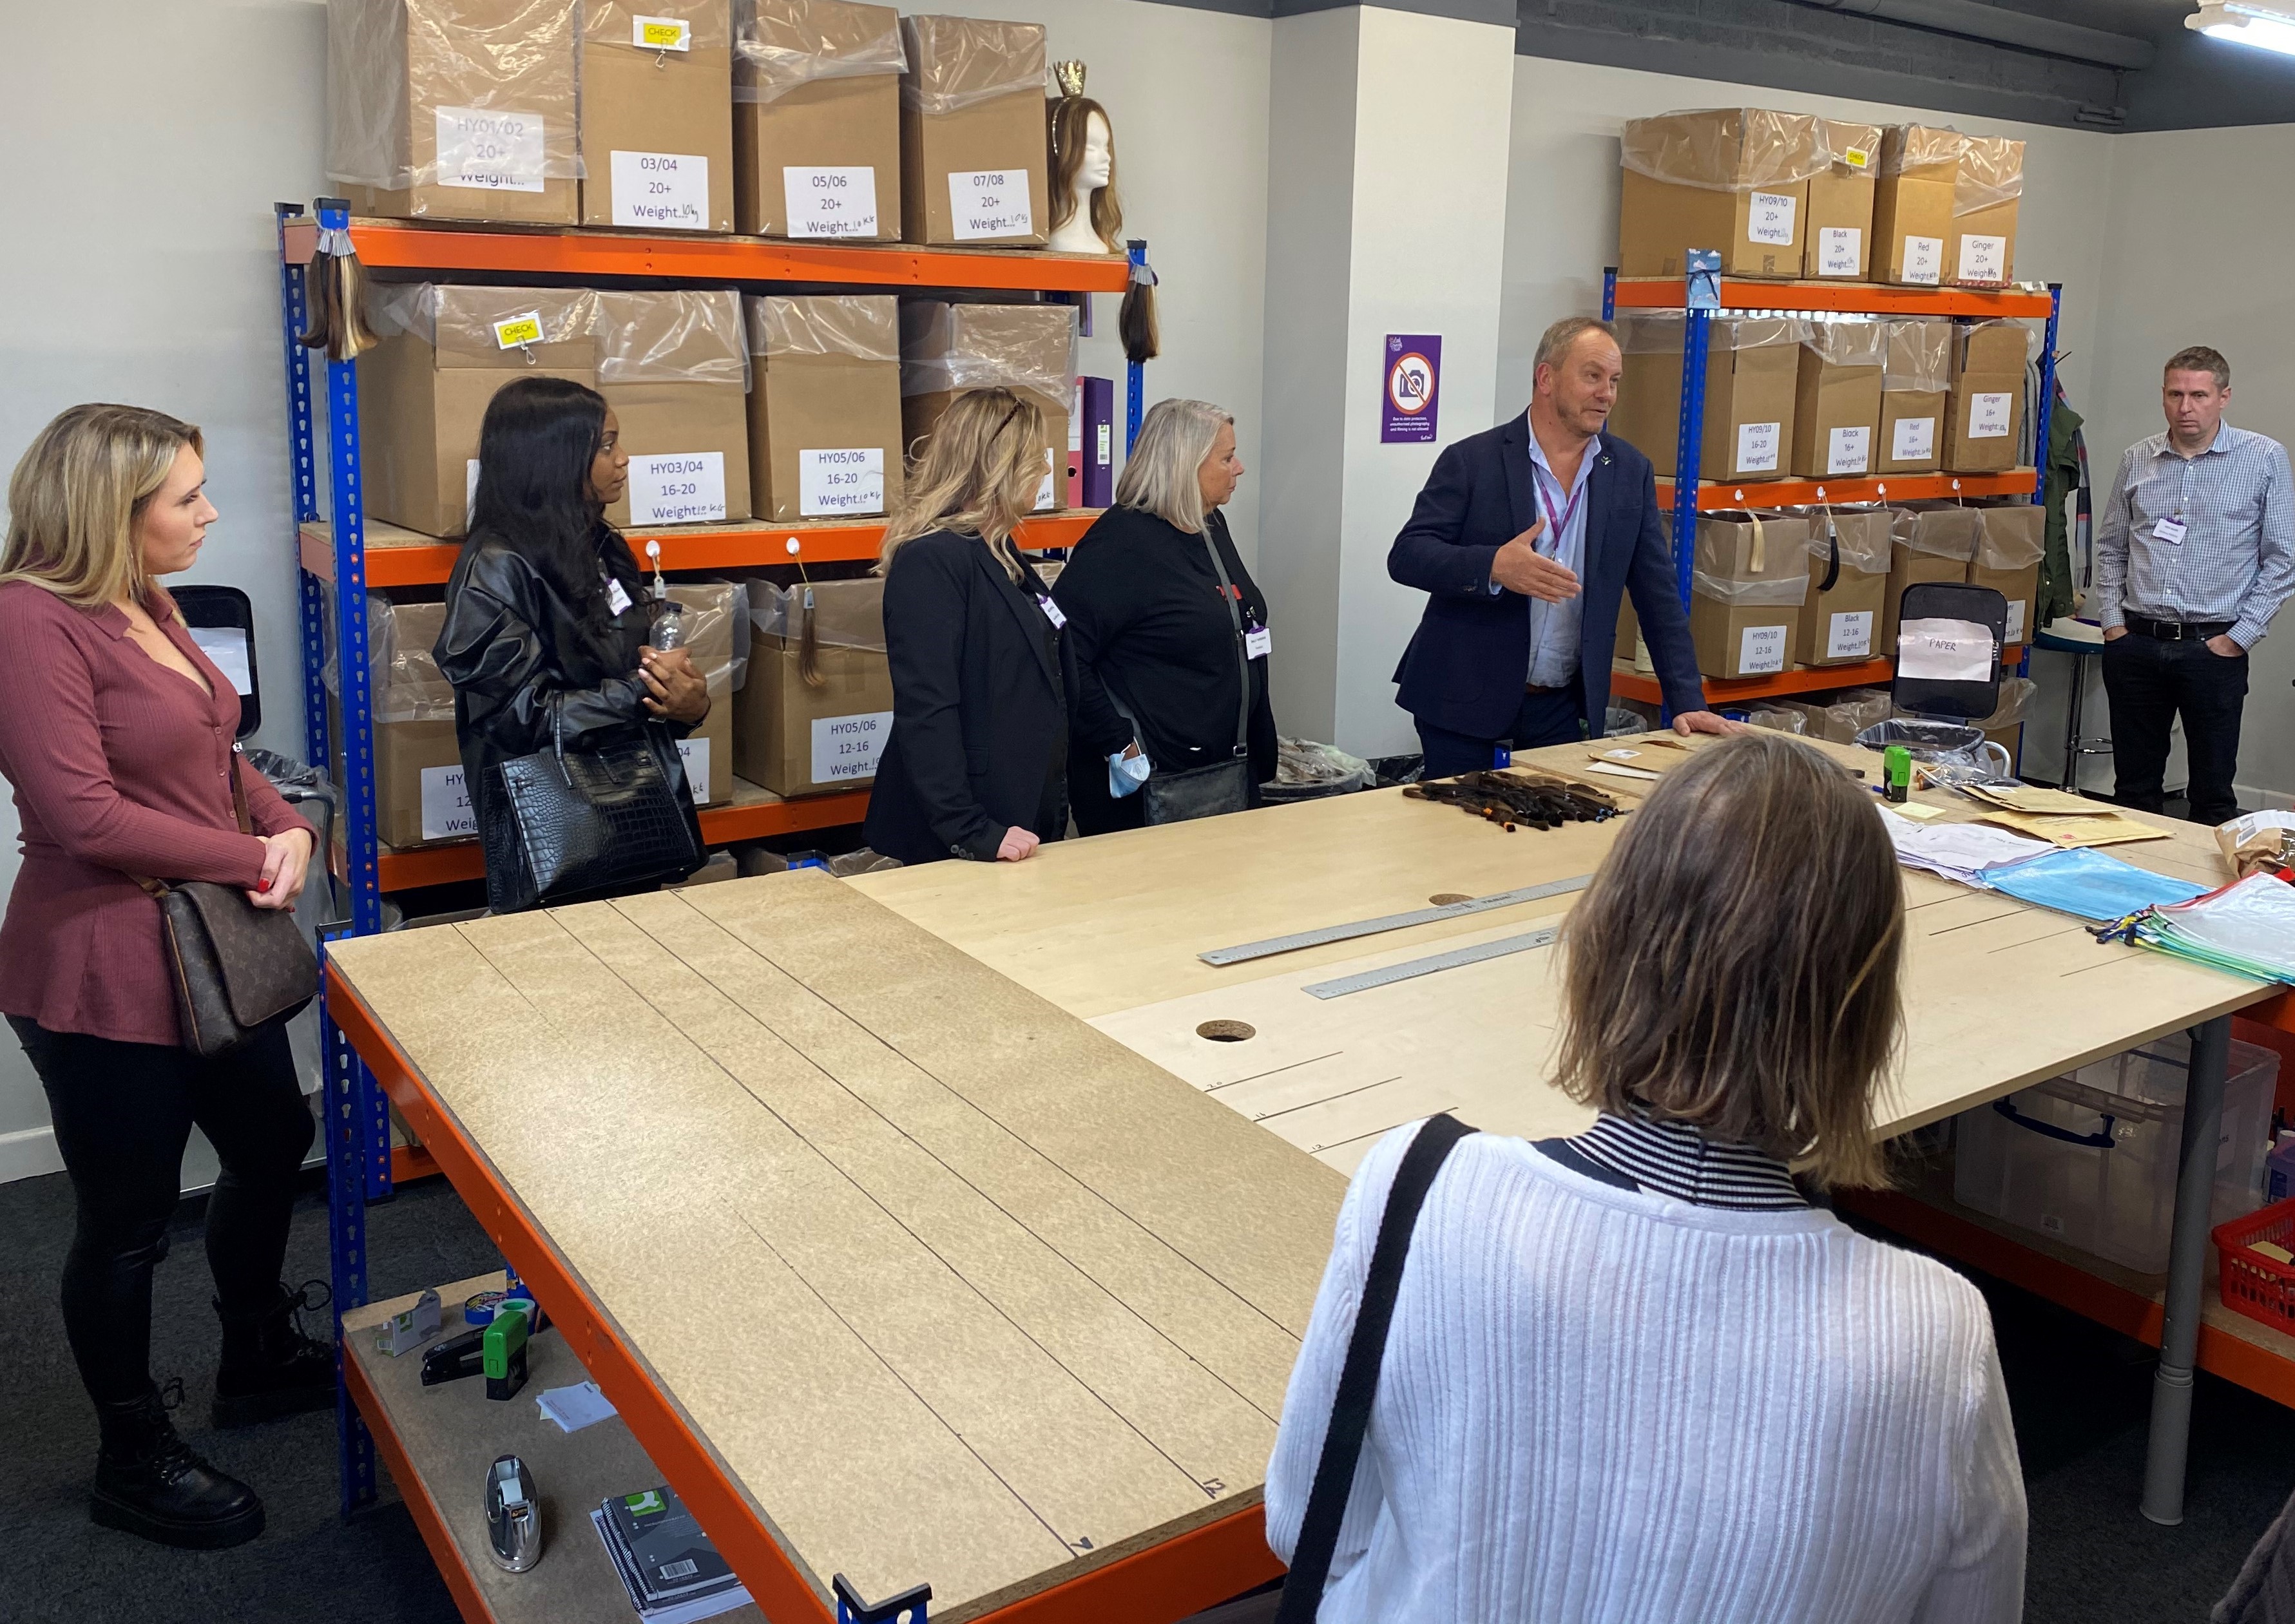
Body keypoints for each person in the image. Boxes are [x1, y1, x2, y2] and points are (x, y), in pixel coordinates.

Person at [1266, 732, 2025, 1622]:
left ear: (1603, 937)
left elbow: (1306, 1526)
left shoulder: (1417, 1189)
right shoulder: (1933, 1333)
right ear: (1860, 1010)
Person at [0, 404, 328, 1551]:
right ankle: (129, 1454)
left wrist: (285, 823)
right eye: (187, 496)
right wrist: (252, 859)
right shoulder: (28, 622)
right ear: (111, 509)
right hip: (98, 968)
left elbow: (215, 747)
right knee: (128, 1223)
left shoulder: (145, 600)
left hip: (204, 950)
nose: (211, 511)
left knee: (271, 1141)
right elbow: (82, 814)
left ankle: (255, 1352)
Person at [1388, 316, 1737, 778]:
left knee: (1551, 841)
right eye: (1592, 376)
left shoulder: (1629, 472)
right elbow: (1409, 555)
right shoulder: (1473, 460)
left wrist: (1687, 700)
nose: (1607, 393)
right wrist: (1494, 566)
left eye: (1614, 381)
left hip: (1560, 708)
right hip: (1462, 700)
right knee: (1458, 842)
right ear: (1546, 378)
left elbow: (1658, 595)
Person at [434, 377, 710, 913]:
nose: (624, 460)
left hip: (634, 817)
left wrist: (684, 701)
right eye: (606, 446)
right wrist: (639, 693)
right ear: (553, 458)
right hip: (554, 845)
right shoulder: (492, 569)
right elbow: (524, 717)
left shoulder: (603, 544)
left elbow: (631, 668)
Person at [867, 388, 1072, 866]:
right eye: (1036, 459)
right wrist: (969, 828)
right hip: (963, 832)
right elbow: (927, 708)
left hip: (1018, 812)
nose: (1045, 471)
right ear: (1000, 465)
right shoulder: (932, 559)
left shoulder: (998, 550)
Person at [1055, 399, 1275, 835]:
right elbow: (1062, 650)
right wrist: (1119, 740)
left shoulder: (1209, 525)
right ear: (1184, 465)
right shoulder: (1122, 545)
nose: (1240, 468)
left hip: (1224, 774)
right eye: (1227, 458)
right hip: (1151, 790)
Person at [2096, 345, 2294, 828]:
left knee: (2211, 790)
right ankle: (2133, 887)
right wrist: (2113, 624)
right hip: (2137, 643)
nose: (2186, 407)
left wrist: (2240, 637)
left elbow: (2284, 558)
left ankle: (2209, 893)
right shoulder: (2137, 458)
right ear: (2163, 396)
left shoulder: (2263, 458)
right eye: (2176, 394)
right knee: (2134, 787)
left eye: (2199, 395)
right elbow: (2110, 548)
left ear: (2224, 397)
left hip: (2213, 647)